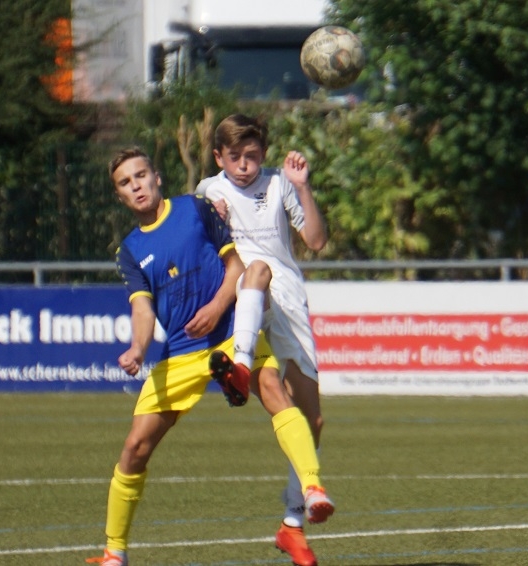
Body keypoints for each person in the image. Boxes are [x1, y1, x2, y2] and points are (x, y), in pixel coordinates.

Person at [87, 148, 333, 566]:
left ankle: (312, 488)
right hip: (180, 353)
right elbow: (143, 309)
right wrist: (138, 349)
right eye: (126, 183)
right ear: (120, 196)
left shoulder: (195, 208)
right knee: (134, 448)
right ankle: (114, 551)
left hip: (229, 332)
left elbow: (235, 266)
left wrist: (218, 307)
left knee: (273, 389)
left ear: (157, 177)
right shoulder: (129, 250)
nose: (137, 186)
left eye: (141, 175)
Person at [197, 113, 329, 566]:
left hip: (287, 298)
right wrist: (209, 224)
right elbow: (200, 249)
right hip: (243, 298)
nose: (243, 165)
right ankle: (240, 363)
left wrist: (303, 187)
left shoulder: (280, 184)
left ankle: (292, 523)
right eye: (234, 156)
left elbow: (316, 241)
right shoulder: (209, 191)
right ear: (219, 157)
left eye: (251, 156)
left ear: (264, 154)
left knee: (312, 421)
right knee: (256, 270)